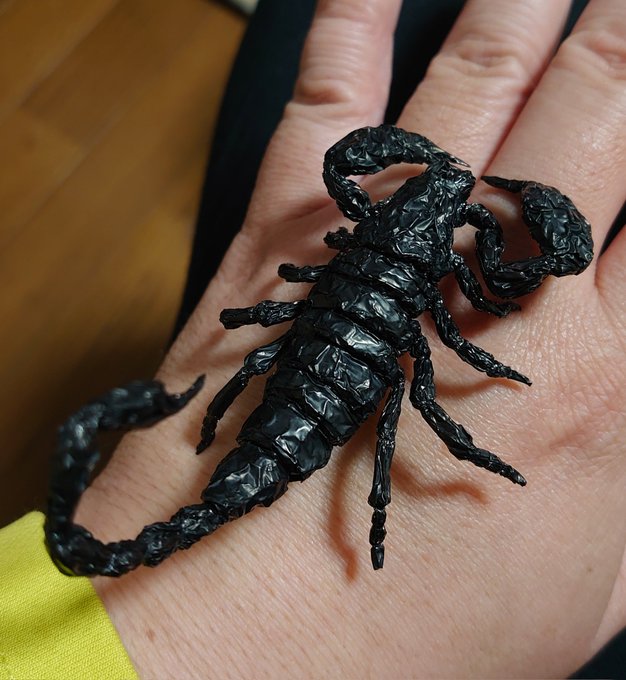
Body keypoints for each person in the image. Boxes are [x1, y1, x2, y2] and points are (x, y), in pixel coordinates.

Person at [4, 0, 626, 676]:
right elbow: (489, 297)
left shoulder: (366, 221)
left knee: (348, 389)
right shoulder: (438, 252)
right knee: (393, 400)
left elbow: (345, 180)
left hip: (313, 363)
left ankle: (302, 472)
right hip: (334, 372)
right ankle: (351, 502)